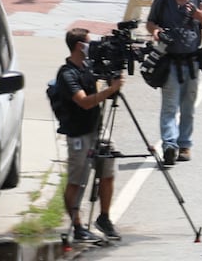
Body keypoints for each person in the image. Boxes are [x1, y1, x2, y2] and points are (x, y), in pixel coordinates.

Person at [55, 27, 124, 243]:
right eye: (88, 42)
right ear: (79, 46)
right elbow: (84, 102)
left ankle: (104, 217)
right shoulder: (67, 74)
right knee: (77, 181)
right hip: (78, 134)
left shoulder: (89, 66)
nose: (91, 45)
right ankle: (77, 225)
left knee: (108, 170)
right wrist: (111, 90)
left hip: (97, 129)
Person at [147, 0, 202, 166]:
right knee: (169, 107)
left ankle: (184, 145)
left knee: (188, 107)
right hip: (170, 64)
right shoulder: (163, 1)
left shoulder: (198, 0)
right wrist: (157, 31)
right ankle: (169, 145)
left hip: (192, 62)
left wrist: (200, 17)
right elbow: (150, 23)